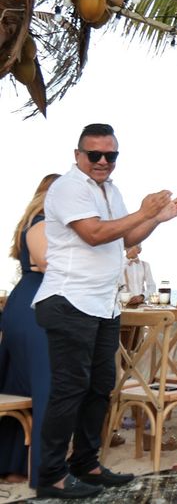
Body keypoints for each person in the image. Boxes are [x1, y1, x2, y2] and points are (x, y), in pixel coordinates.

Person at [32, 123, 177, 499]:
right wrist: (141, 210)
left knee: (101, 388)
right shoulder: (67, 188)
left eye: (110, 155)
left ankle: (87, 463)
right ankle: (51, 475)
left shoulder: (110, 190)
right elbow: (95, 233)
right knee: (70, 390)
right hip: (69, 301)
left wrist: (155, 219)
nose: (103, 161)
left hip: (103, 304)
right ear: (77, 155)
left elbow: (127, 236)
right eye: (94, 154)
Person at [0, 173, 58, 486]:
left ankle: (13, 465)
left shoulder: (36, 221)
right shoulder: (43, 221)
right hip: (37, 306)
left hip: (24, 302)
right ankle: (45, 473)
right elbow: (48, 262)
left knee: (20, 387)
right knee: (47, 389)